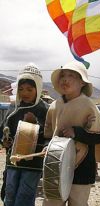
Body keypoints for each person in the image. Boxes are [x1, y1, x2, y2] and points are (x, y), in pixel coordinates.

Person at [42, 60, 100, 206]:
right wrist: (47, 146)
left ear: (82, 83)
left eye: (72, 76)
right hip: (55, 165)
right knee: (52, 201)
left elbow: (99, 137)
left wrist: (77, 132)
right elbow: (48, 134)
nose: (65, 79)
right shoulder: (54, 106)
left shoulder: (88, 105)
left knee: (78, 202)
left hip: (83, 166)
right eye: (63, 76)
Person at [2, 63, 49, 206]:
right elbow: (4, 129)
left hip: (32, 163)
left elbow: (50, 133)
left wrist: (35, 124)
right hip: (13, 160)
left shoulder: (44, 109)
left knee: (25, 194)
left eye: (30, 89)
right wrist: (4, 141)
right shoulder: (14, 107)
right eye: (21, 89)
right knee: (9, 192)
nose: (25, 93)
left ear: (38, 88)